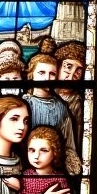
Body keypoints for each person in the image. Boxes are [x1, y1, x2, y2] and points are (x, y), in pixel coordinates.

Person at [24, 44, 82, 176]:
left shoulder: (61, 108)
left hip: (52, 170)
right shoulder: (24, 103)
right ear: (31, 75)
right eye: (41, 73)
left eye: (52, 74)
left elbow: (69, 144)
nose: (47, 78)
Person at [54, 39, 86, 153]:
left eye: (78, 71)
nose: (71, 75)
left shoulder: (78, 103)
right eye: (68, 66)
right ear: (58, 67)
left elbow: (77, 141)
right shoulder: (45, 95)